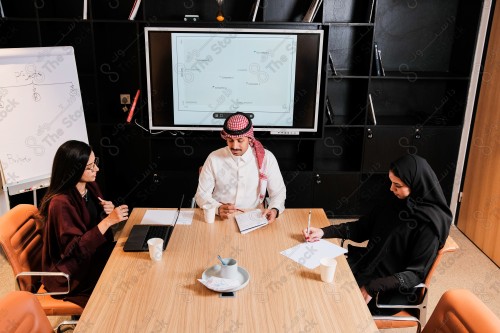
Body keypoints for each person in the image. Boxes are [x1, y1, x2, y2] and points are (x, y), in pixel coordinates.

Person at [303, 154, 452, 314]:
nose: (391, 189)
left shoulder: (429, 225)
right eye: (391, 182)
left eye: (397, 185)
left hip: (390, 289)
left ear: (415, 185)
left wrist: (372, 288)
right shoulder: (394, 201)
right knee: (317, 286)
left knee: (334, 306)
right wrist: (324, 232)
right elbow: (362, 228)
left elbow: (414, 275)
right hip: (371, 265)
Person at [38, 140, 129, 307]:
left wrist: (105, 212)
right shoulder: (60, 203)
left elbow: (92, 227)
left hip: (92, 256)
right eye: (89, 167)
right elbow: (75, 250)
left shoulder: (90, 187)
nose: (97, 169)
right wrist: (109, 221)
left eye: (95, 163)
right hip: (71, 274)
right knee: (122, 285)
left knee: (129, 261)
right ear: (73, 170)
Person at [195, 112, 286, 223]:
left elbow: (278, 193)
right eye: (230, 140)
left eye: (240, 140)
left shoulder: (267, 158)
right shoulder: (214, 158)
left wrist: (274, 210)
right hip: (220, 218)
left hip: (254, 218)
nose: (234, 146)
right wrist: (217, 208)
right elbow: (201, 195)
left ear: (249, 138)